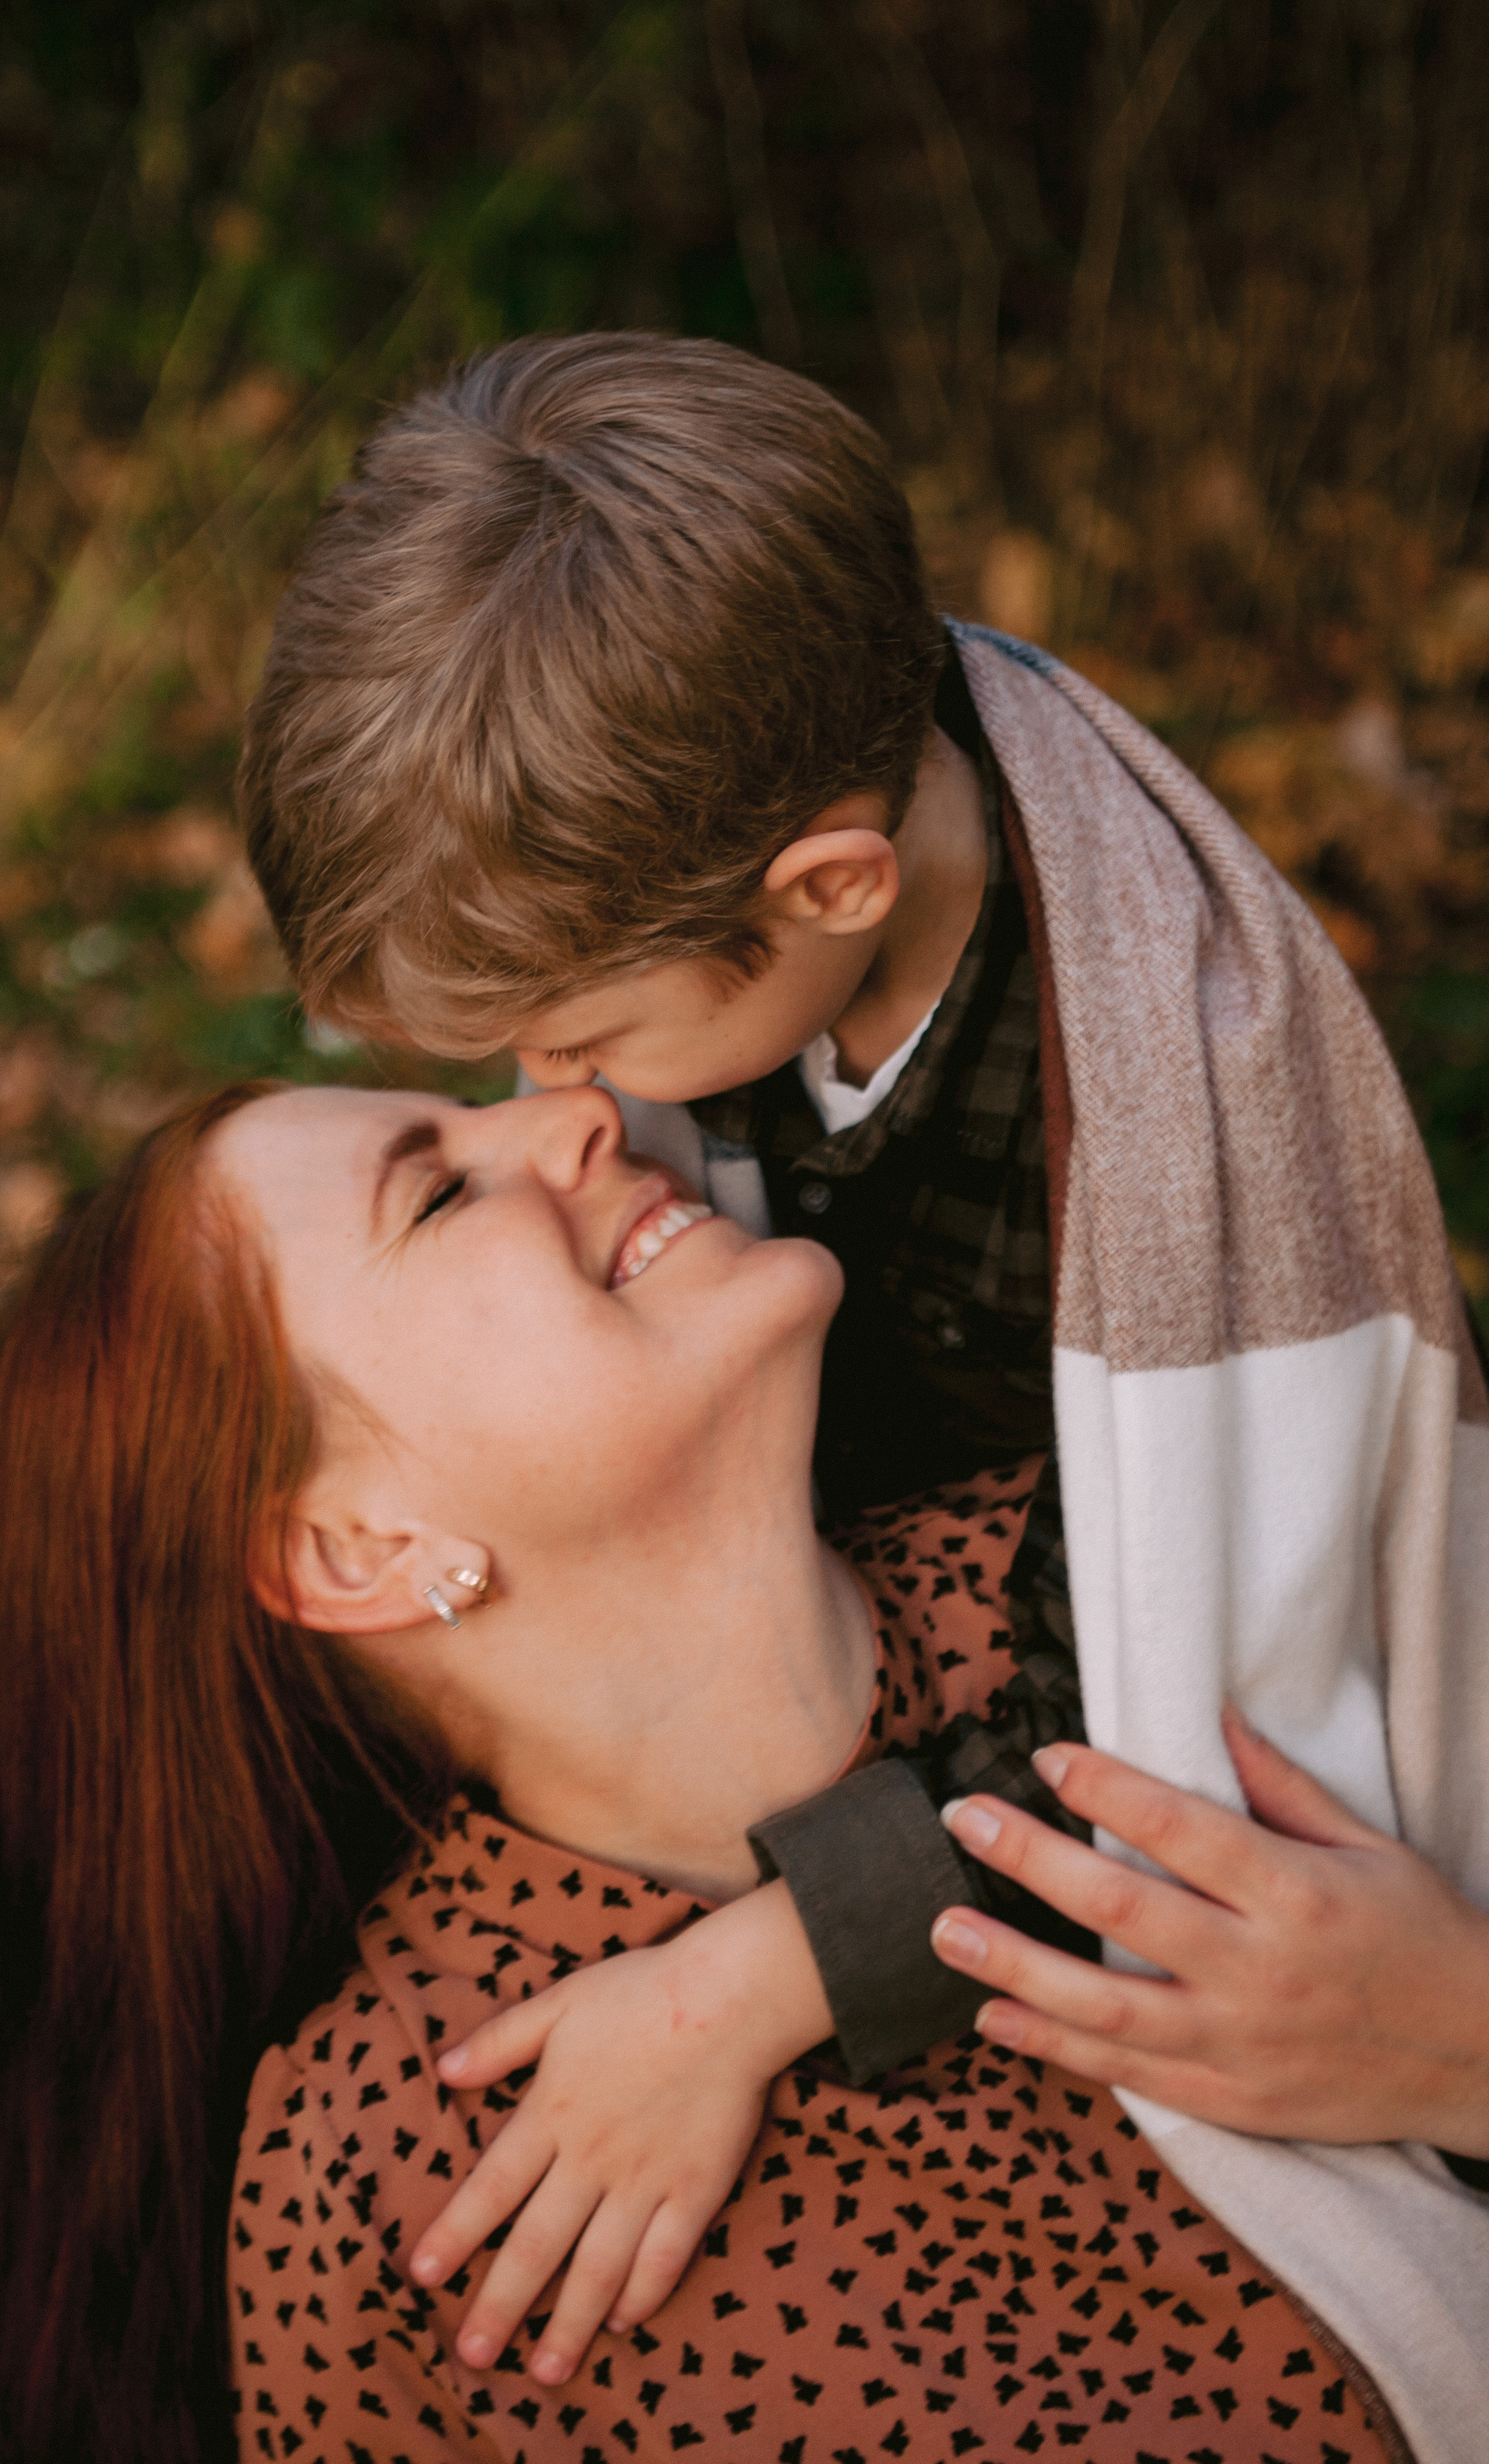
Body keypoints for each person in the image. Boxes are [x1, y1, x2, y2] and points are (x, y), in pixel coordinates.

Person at [235, 334, 1489, 2431]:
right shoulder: (787, 857)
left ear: (832, 889)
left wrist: (751, 1980)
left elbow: (1174, 1738)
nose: (554, 1105)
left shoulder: (1165, 1144)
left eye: (577, 1041)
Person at [0, 1078, 1486, 2464]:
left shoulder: (1182, 1557)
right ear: (359, 1549)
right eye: (440, 1191)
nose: (576, 1110)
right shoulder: (406, 2187)